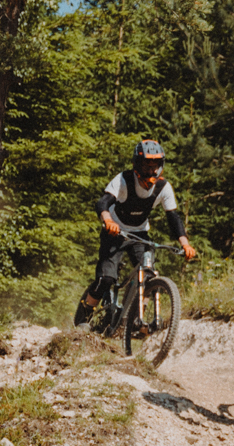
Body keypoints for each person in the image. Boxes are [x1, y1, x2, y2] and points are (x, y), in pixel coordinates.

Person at [74, 139, 196, 326]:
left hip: (139, 234)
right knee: (106, 278)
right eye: (146, 166)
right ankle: (84, 317)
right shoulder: (124, 180)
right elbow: (103, 202)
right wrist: (108, 220)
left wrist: (185, 244)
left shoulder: (163, 187)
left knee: (148, 275)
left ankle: (136, 319)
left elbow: (173, 218)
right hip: (114, 232)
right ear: (137, 165)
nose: (151, 171)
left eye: (155, 166)